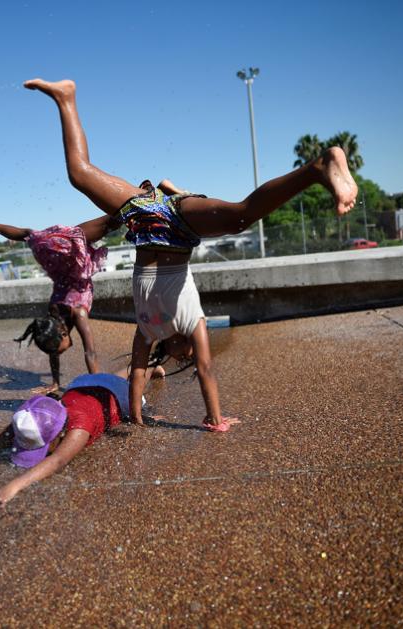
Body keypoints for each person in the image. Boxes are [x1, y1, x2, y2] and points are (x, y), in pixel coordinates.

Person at [23, 78, 358, 431]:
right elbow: (190, 368)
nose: (188, 355)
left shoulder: (150, 331)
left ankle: (319, 167)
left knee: (80, 174)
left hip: (148, 214)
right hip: (178, 226)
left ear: (171, 346)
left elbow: (149, 371)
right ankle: (67, 98)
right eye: (186, 355)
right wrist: (204, 417)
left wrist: (144, 418)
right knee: (238, 218)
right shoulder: (189, 322)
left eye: (181, 355)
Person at [0, 370, 163, 511]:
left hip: (117, 395)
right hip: (82, 382)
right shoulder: (33, 416)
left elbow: (58, 460)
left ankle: (152, 366)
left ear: (58, 435)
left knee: (136, 383)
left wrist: (12, 487)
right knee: (108, 377)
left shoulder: (79, 427)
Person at [0, 214, 119, 394]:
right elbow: (53, 350)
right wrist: (55, 383)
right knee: (27, 234)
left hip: (70, 252)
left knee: (113, 221)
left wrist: (99, 387)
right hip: (55, 258)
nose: (58, 353)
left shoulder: (79, 313)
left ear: (63, 333)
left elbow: (90, 352)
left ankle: (141, 197)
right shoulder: (52, 318)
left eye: (58, 349)